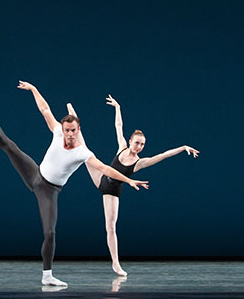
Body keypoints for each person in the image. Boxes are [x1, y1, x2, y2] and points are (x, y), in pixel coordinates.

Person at [0, 81, 149, 287]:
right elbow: (44, 109)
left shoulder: (83, 152)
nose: (70, 134)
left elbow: (104, 169)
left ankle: (47, 275)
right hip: (35, 173)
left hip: (48, 191)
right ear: (63, 129)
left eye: (73, 130)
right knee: (7, 144)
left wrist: (128, 180)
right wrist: (34, 89)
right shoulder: (57, 132)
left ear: (78, 130)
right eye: (67, 130)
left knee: (49, 233)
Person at [70, 95, 199, 276]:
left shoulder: (139, 163)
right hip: (100, 177)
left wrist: (182, 147)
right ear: (130, 141)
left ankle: (115, 263)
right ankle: (74, 118)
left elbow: (163, 155)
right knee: (84, 151)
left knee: (111, 226)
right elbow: (118, 126)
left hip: (112, 191)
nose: (139, 147)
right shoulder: (122, 145)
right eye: (137, 143)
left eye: (142, 145)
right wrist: (118, 108)